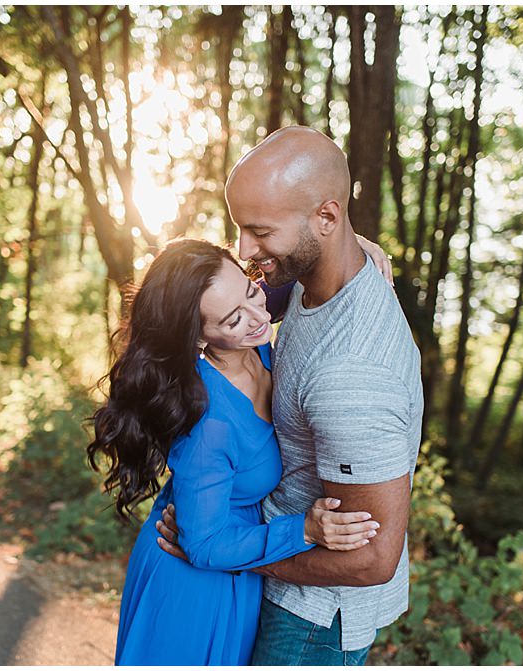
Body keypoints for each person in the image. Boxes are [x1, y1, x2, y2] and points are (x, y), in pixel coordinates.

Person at [156, 125, 424, 665]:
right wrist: (354, 239)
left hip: (309, 617)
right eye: (240, 229)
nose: (244, 252)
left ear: (326, 217)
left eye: (259, 232)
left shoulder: (352, 374)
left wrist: (217, 551)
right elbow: (213, 302)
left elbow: (372, 558)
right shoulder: (310, 272)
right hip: (277, 582)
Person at [88, 236, 393, 665]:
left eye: (252, 290)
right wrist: (304, 531)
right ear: (197, 339)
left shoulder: (252, 334)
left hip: (242, 567)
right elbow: (204, 543)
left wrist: (355, 244)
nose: (259, 317)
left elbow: (301, 251)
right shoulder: (208, 424)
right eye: (233, 320)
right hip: (195, 590)